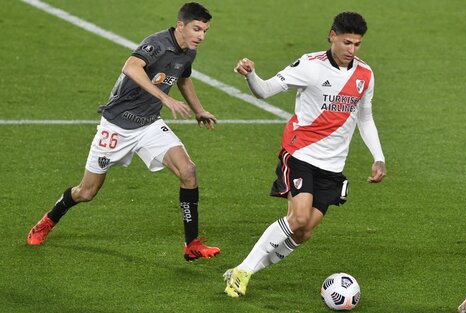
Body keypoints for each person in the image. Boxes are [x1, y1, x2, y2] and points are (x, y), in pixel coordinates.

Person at [27, 2, 221, 262]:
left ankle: (191, 244)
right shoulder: (157, 43)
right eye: (197, 29)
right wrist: (165, 99)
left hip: (149, 125)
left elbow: (183, 78)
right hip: (117, 125)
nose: (201, 36)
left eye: (205, 31)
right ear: (181, 25)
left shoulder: (188, 51)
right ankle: (50, 219)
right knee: (86, 192)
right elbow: (131, 67)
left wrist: (198, 110)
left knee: (188, 171)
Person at [224, 11, 386, 297]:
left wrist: (379, 156)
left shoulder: (365, 74)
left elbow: (366, 117)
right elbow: (264, 91)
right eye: (347, 42)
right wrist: (251, 76)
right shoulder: (309, 65)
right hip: (301, 153)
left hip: (333, 165)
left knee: (304, 231)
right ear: (332, 36)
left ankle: (242, 269)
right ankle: (243, 271)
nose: (351, 50)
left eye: (357, 44)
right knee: (297, 218)